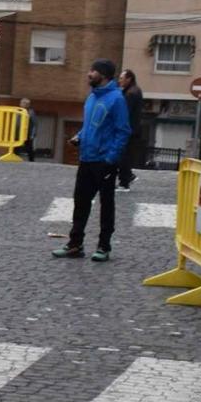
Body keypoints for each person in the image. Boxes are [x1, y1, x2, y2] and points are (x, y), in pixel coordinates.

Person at [52, 59, 131, 263]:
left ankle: (104, 246)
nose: (89, 74)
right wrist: (80, 137)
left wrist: (111, 158)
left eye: (93, 71)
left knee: (106, 205)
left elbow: (123, 132)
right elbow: (90, 126)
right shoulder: (92, 97)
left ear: (103, 75)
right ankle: (75, 244)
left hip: (103, 161)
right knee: (80, 202)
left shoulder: (117, 99)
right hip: (86, 158)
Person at [117, 69, 146, 188]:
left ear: (129, 79)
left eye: (121, 78)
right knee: (125, 155)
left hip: (128, 130)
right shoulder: (133, 91)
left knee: (123, 155)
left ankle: (125, 180)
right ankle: (127, 177)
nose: (119, 81)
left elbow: (125, 113)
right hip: (132, 129)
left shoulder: (130, 93)